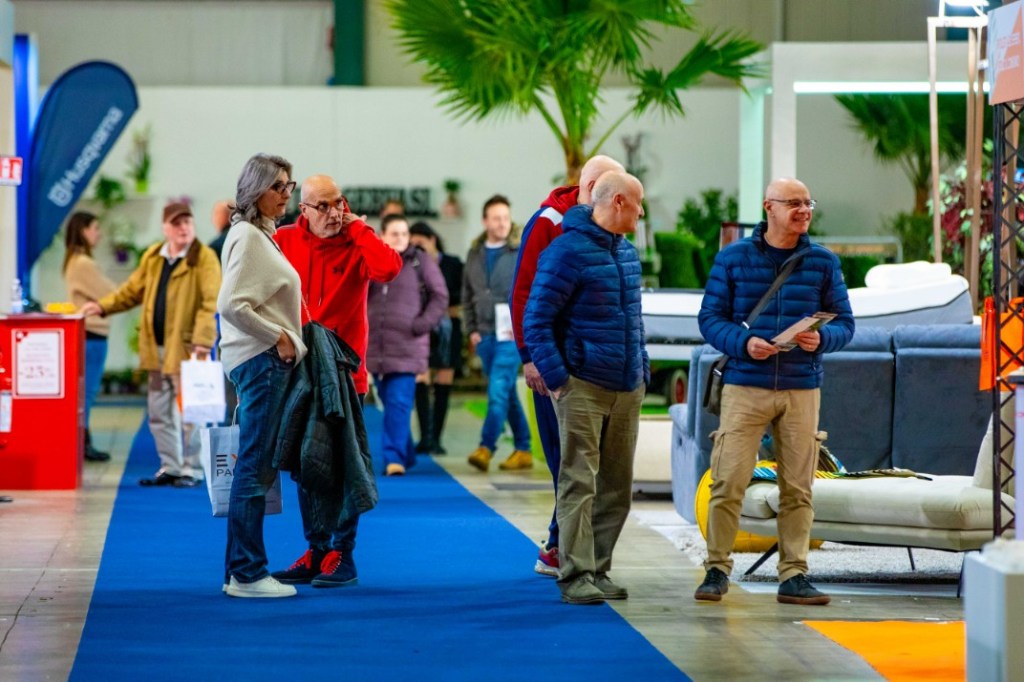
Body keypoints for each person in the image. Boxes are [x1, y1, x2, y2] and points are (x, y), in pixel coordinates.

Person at [695, 177, 855, 606]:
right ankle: (716, 568)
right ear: (769, 207)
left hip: (802, 388)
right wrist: (743, 343)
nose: (804, 210)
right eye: (794, 203)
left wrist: (823, 340)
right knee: (728, 479)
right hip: (746, 385)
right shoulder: (733, 259)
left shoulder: (823, 263)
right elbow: (710, 319)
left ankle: (794, 574)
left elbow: (846, 324)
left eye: (808, 202)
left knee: (799, 487)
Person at [523, 171, 649, 605]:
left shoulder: (628, 253)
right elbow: (536, 320)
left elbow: (635, 321)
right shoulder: (565, 251)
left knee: (617, 485)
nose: (642, 210)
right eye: (638, 202)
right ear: (616, 202)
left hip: (626, 388)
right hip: (584, 387)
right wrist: (560, 380)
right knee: (579, 483)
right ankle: (575, 573)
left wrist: (642, 370)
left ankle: (598, 568)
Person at [271, 174, 402, 588]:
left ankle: (343, 554)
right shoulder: (286, 240)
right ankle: (317, 547)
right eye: (322, 206)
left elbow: (388, 268)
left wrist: (359, 227)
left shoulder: (356, 240)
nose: (332, 213)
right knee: (306, 464)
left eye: (337, 204)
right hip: (299, 372)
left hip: (347, 375)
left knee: (345, 465)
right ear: (303, 210)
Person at [509, 154, 625, 576]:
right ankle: (559, 546)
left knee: (586, 463)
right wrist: (531, 358)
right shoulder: (549, 222)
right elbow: (523, 294)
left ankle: (570, 545)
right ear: (593, 187)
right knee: (566, 460)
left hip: (596, 366)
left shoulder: (608, 227)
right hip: (556, 362)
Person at [80, 202, 220, 488]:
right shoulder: (154, 256)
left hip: (188, 349)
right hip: (156, 348)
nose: (184, 228)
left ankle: (191, 469)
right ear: (165, 228)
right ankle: (170, 465)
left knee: (192, 412)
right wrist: (102, 307)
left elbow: (210, 303)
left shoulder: (203, 258)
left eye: (188, 223)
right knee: (159, 412)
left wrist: (203, 342)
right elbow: (132, 291)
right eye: (177, 224)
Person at [216, 153, 307, 598]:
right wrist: (279, 337)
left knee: (255, 466)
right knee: (255, 468)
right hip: (261, 362)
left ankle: (239, 570)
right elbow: (232, 304)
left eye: (290, 185)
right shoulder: (250, 236)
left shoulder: (259, 235)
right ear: (257, 189)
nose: (287, 193)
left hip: (257, 361)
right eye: (279, 186)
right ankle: (248, 573)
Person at [367, 215, 448, 476]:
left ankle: (394, 459)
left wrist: (421, 325)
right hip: (376, 350)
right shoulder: (372, 260)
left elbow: (440, 295)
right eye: (395, 233)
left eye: (404, 233)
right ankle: (406, 453)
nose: (401, 238)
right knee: (389, 401)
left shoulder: (419, 261)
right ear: (382, 235)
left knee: (399, 402)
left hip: (407, 347)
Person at [463, 195, 532, 472]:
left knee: (497, 391)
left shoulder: (520, 251)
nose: (502, 223)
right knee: (506, 393)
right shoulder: (475, 253)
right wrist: (471, 331)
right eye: (496, 218)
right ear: (485, 221)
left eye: (506, 217)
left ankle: (486, 446)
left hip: (511, 335)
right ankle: (523, 448)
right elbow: (467, 295)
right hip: (484, 336)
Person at [64, 211, 117, 462]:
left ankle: (82, 441)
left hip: (89, 332)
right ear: (84, 230)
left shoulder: (75, 260)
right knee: (87, 392)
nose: (98, 233)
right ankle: (83, 443)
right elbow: (111, 293)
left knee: (84, 391)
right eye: (95, 227)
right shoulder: (84, 263)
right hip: (92, 333)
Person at [409, 221, 464, 455]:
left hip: (448, 331)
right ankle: (425, 437)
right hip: (423, 328)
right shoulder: (412, 264)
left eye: (421, 243)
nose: (417, 249)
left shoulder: (451, 263)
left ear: (432, 240)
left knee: (443, 382)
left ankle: (437, 438)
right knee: (421, 379)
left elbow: (459, 295)